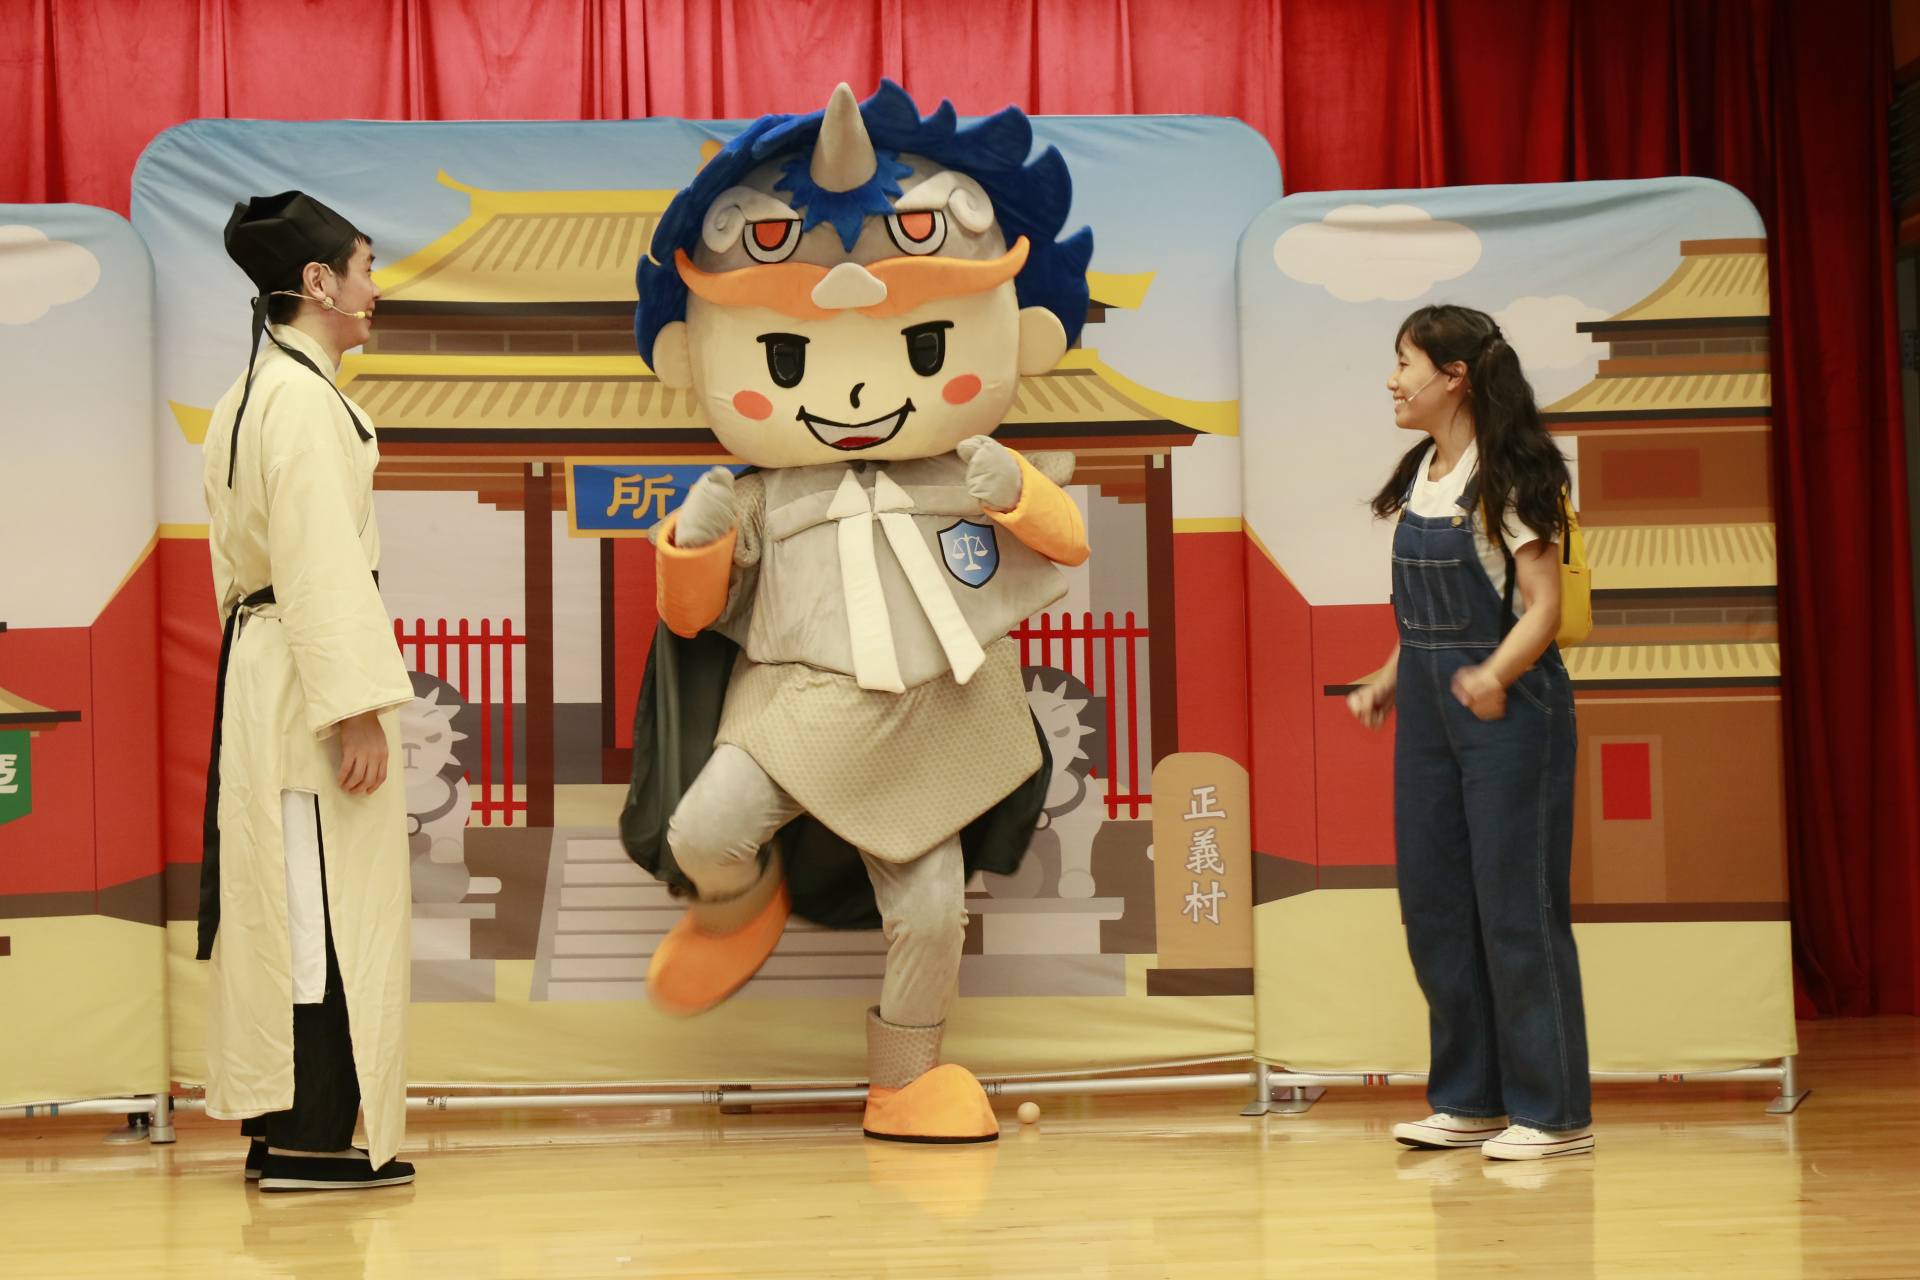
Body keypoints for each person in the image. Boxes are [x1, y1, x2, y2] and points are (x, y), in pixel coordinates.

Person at [199, 191, 415, 1191]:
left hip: (269, 662)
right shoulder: (296, 398)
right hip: (302, 673)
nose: (375, 288)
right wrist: (353, 705)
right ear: (319, 282)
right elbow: (320, 560)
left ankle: (284, 1123)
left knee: (286, 893)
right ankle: (309, 1134)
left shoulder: (254, 392)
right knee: (314, 900)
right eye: (365, 268)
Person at [1346, 303, 1593, 1161]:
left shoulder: (1515, 473)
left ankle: (1555, 1114)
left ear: (1454, 376)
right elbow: (1426, 614)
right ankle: (1471, 1100)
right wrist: (1389, 677)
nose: (1393, 380)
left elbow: (1543, 609)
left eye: (1405, 362)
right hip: (1430, 712)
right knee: (1436, 906)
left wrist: (1493, 676)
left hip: (1510, 714)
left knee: (1517, 909)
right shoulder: (1423, 470)